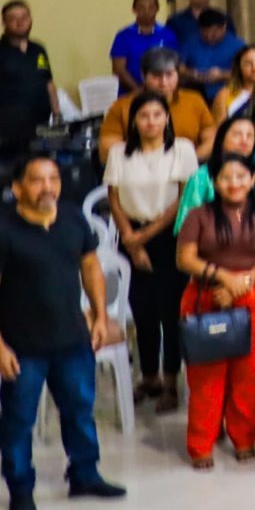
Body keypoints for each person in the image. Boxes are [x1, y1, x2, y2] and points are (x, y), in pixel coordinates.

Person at [0, 157, 125, 510]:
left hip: (73, 339)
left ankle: (85, 475)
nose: (48, 187)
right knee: (18, 422)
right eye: (37, 181)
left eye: (53, 179)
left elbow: (90, 266)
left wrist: (101, 316)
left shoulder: (73, 219)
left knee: (80, 413)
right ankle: (21, 489)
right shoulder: (0, 233)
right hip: (22, 348)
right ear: (17, 189)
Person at [173, 153, 255, 466]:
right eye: (225, 177)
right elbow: (184, 259)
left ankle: (244, 438)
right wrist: (223, 277)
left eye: (240, 177)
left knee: (249, 375)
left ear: (252, 180)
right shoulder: (199, 215)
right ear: (215, 181)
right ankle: (201, 445)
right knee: (206, 377)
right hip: (205, 298)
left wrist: (244, 282)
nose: (233, 183)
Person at [105, 92, 199, 410]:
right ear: (134, 120)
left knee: (171, 310)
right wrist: (131, 239)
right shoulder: (119, 153)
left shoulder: (182, 150)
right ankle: (149, 377)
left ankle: (172, 380)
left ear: (167, 118)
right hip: (131, 234)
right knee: (142, 309)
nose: (151, 121)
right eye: (144, 115)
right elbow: (114, 198)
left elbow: (184, 198)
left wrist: (144, 235)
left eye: (157, 114)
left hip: (170, 236)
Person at [0, 0, 63, 167]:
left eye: (24, 17)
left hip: (41, 125)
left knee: (43, 167)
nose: (20, 22)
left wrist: (57, 115)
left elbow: (48, 83)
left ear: (30, 19)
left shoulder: (38, 50)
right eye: (13, 18)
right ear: (4, 22)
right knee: (16, 174)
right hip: (8, 130)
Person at [99, 48, 217, 160]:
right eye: (156, 76)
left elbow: (211, 138)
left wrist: (190, 160)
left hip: (188, 173)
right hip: (137, 174)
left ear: (178, 75)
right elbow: (106, 149)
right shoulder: (122, 106)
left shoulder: (194, 100)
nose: (163, 83)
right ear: (143, 76)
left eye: (169, 75)